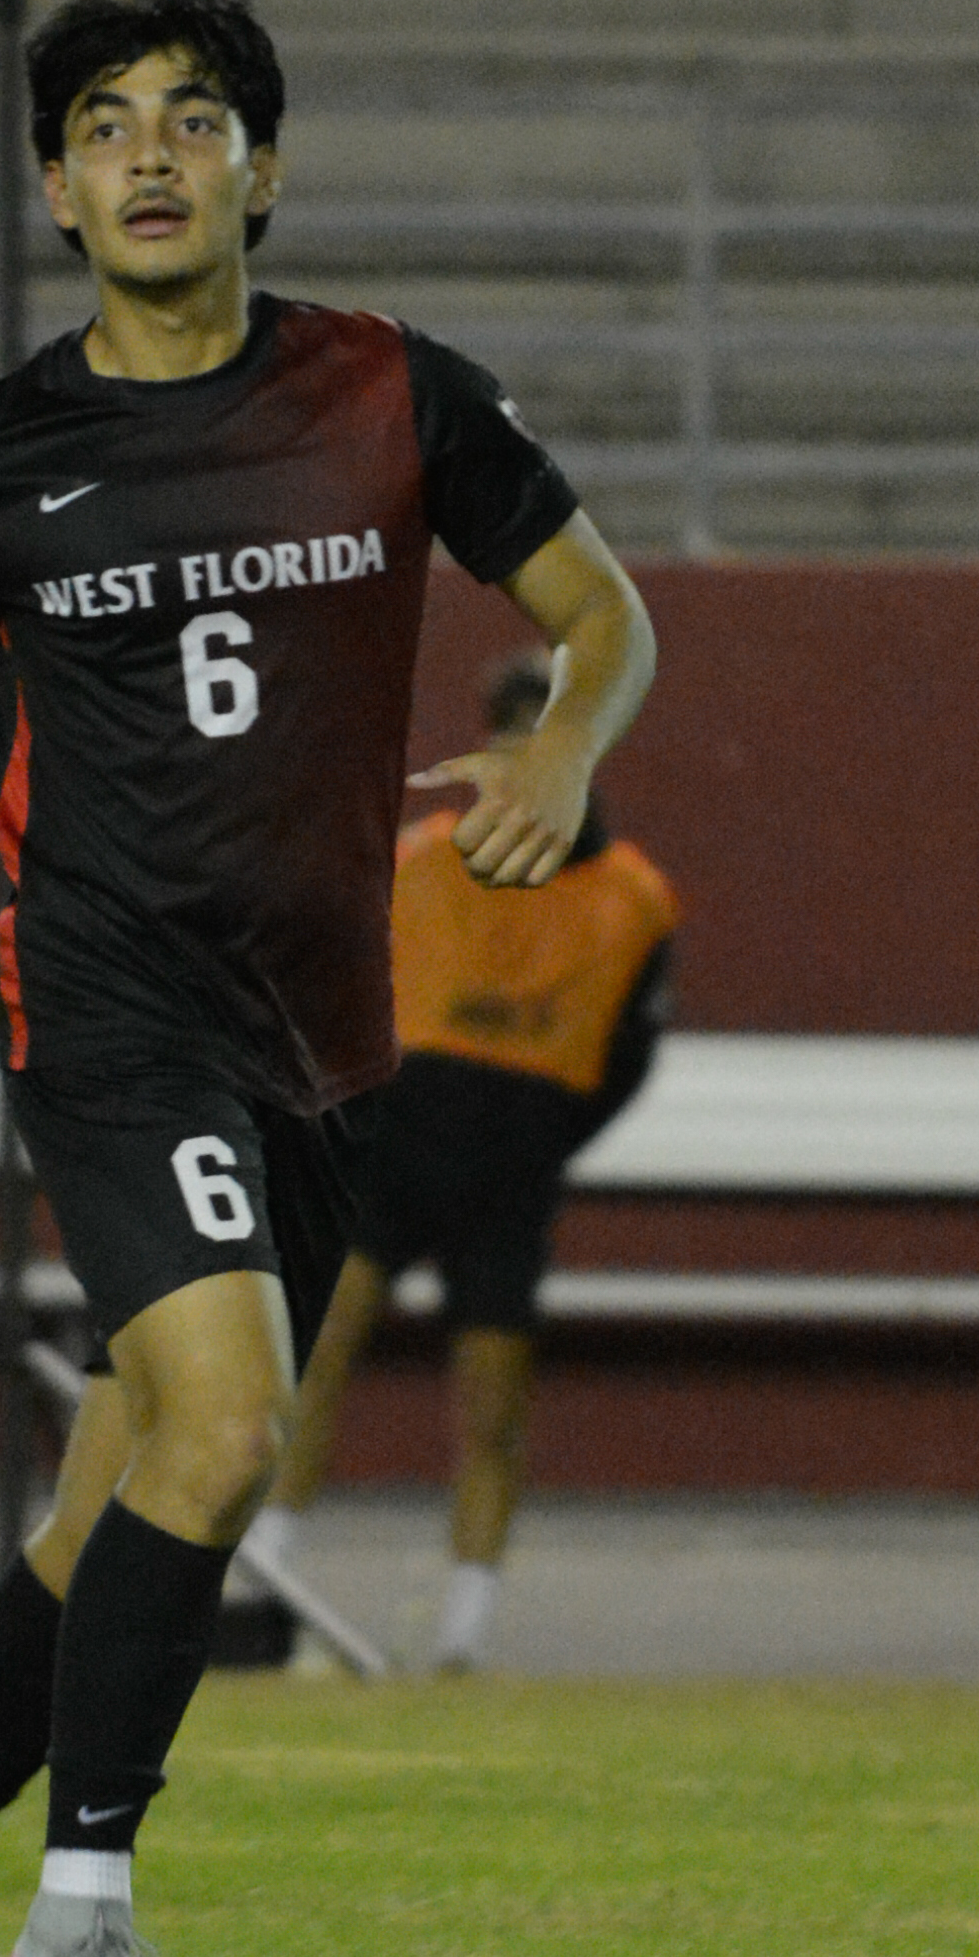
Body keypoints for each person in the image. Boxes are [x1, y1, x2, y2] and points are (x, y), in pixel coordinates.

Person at [0, 0, 655, 1957]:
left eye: (191, 119)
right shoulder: (0, 446)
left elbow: (598, 611)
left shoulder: (385, 391)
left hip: (324, 1039)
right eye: (102, 125)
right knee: (224, 1426)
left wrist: (564, 755)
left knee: (121, 1507)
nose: (148, 153)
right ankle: (83, 1919)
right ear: (58, 191)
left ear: (265, 169)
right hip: (104, 1008)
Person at [240, 646, 677, 1674]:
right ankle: (262, 1582)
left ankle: (461, 1639)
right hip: (388, 1156)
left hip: (509, 1177)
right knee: (316, 1355)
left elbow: (626, 1059)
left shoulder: (634, 901)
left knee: (492, 1408)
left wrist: (537, 1146)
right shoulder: (413, 863)